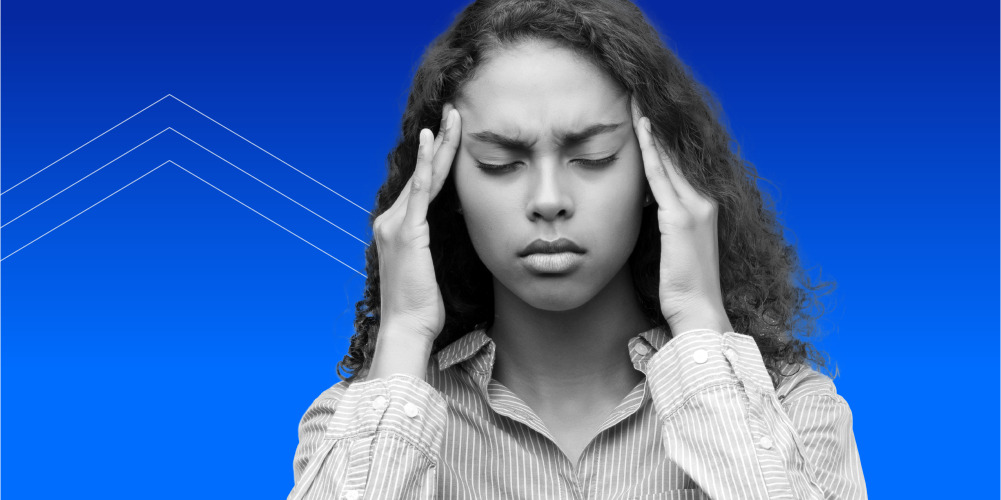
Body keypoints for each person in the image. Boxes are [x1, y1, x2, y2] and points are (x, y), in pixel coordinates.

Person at [288, 0, 867, 498]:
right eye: (499, 164)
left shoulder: (793, 411)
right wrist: (403, 331)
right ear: (445, 186)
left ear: (655, 170)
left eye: (592, 158)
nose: (548, 199)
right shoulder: (355, 425)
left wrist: (699, 317)